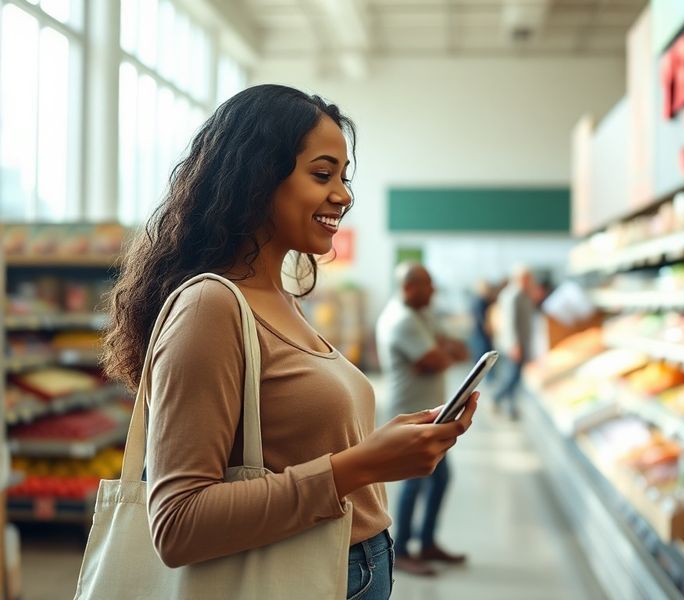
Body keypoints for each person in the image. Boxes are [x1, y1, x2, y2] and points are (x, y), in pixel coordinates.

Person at [102, 85, 478, 600]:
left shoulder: (281, 298)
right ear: (256, 179)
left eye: (343, 178)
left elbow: (295, 447)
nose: (343, 195)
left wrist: (381, 447)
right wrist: (362, 466)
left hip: (348, 566)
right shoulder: (211, 306)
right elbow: (177, 523)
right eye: (322, 175)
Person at [376, 262, 470, 577]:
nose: (433, 290)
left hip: (433, 416)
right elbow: (436, 358)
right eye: (427, 285)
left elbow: (456, 349)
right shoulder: (402, 319)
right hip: (413, 418)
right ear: (409, 288)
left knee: (440, 480)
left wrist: (440, 355)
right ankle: (401, 551)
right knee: (414, 484)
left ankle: (426, 542)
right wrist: (437, 356)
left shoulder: (422, 314)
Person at [493, 265, 540, 420]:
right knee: (512, 376)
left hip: (521, 343)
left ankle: (510, 407)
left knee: (515, 376)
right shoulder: (513, 295)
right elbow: (510, 323)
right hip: (514, 346)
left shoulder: (523, 294)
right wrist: (515, 345)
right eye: (528, 278)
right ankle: (498, 398)